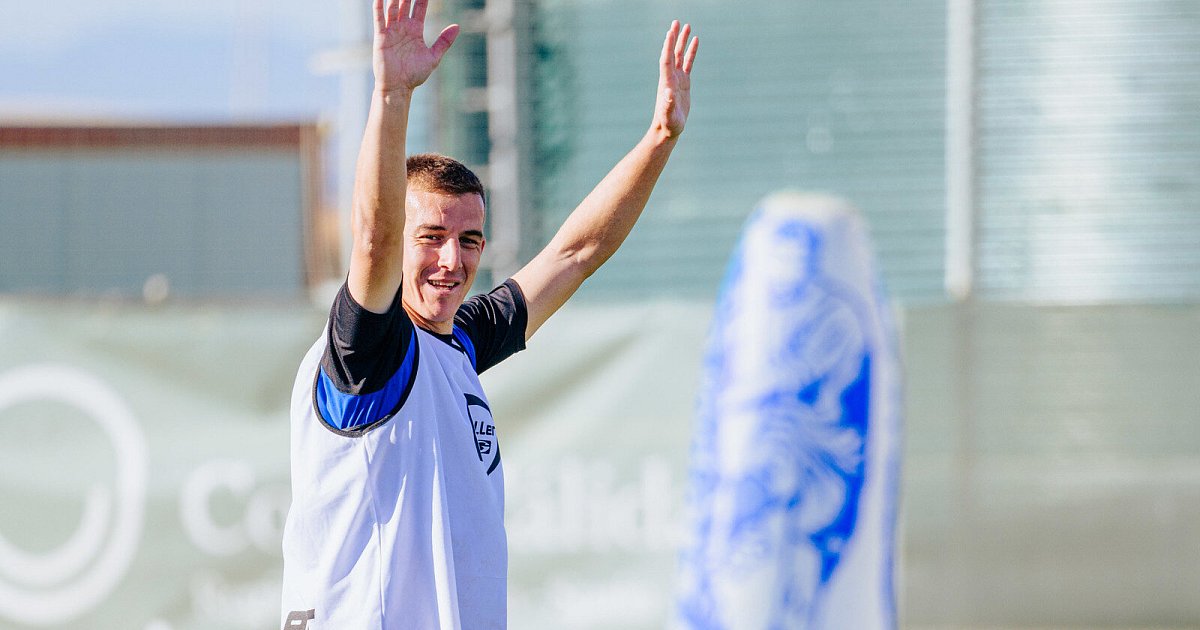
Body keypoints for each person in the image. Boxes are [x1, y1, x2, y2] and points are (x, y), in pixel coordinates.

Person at [279, 0, 698, 627]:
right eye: (431, 236)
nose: (452, 259)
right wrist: (392, 95)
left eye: (470, 240)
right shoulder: (368, 353)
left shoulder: (456, 345)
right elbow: (371, 241)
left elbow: (576, 253)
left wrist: (660, 137)